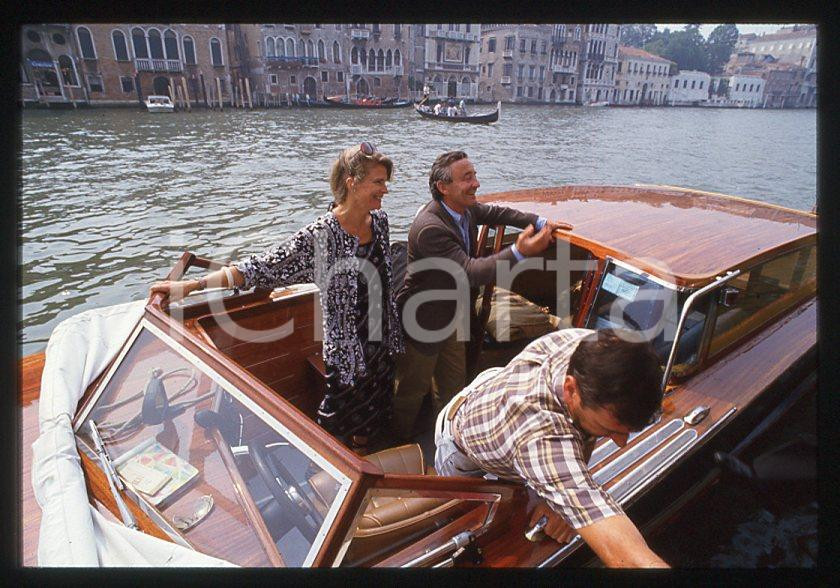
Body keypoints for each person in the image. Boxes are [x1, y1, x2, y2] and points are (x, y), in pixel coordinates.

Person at [149, 142, 403, 454]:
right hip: (349, 354)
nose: (385, 190)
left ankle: (365, 452)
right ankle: (327, 473)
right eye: (378, 182)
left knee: (375, 413)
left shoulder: (379, 222)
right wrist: (191, 286)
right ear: (352, 182)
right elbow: (258, 268)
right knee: (336, 423)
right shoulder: (322, 235)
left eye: (385, 182)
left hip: (383, 343)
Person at [434, 328, 669, 568]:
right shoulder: (535, 435)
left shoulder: (598, 351)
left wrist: (560, 504)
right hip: (461, 446)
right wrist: (565, 502)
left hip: (495, 387)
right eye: (609, 430)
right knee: (461, 524)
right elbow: (627, 557)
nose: (621, 443)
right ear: (570, 390)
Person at [392, 150, 572, 440]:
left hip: (452, 315)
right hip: (423, 320)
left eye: (474, 175)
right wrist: (521, 250)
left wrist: (540, 221)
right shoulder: (430, 228)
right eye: (467, 178)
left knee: (453, 388)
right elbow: (471, 271)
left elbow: (500, 213)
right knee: (410, 392)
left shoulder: (464, 209)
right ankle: (397, 442)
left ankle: (445, 441)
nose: (476, 183)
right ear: (443, 187)